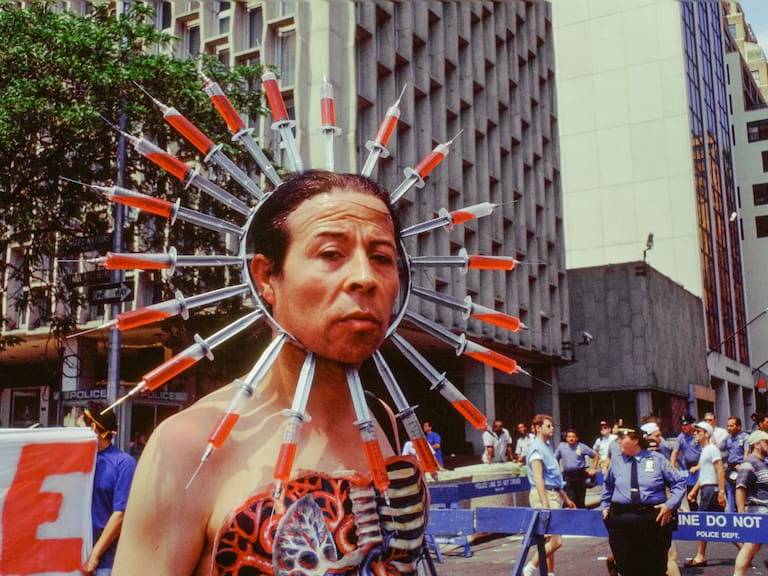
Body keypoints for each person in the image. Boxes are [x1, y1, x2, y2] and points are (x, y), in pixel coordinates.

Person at [114, 171, 430, 575]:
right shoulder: (190, 446)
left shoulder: (382, 418)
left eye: (382, 258)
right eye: (332, 254)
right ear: (267, 277)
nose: (365, 278)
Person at [600, 423, 685, 576]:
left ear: (635, 440)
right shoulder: (617, 462)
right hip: (622, 521)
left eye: (622, 438)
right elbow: (608, 485)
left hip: (651, 520)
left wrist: (670, 505)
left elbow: (678, 483)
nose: (618, 441)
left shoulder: (657, 459)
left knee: (654, 569)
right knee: (627, 569)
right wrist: (605, 506)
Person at [83, 402, 137, 576]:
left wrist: (95, 555)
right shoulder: (79, 460)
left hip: (104, 561)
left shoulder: (123, 463)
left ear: (92, 427)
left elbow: (120, 514)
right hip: (72, 555)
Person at [521, 414, 576, 576]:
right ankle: (528, 569)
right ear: (538, 428)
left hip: (553, 494)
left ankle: (549, 573)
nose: (552, 428)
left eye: (552, 426)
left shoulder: (548, 447)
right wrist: (544, 502)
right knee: (556, 541)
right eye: (548, 426)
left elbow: (554, 477)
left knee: (549, 540)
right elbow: (538, 477)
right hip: (543, 495)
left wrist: (565, 498)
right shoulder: (536, 448)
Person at [683, 421, 726, 568]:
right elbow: (704, 475)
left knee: (701, 522)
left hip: (711, 490)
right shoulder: (705, 451)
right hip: (707, 489)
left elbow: (720, 470)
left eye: (698, 431)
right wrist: (694, 490)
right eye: (694, 431)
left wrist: (721, 492)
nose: (695, 433)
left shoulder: (712, 449)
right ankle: (745, 549)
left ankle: (700, 556)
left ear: (707, 434)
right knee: (723, 524)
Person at [732, 430, 768, 576]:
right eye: (766, 442)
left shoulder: (763, 463)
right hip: (757, 512)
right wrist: (742, 514)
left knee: (751, 547)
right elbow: (740, 488)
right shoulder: (749, 463)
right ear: (756, 444)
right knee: (749, 547)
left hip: (764, 511)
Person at [555, 428, 598, 508]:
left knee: (580, 500)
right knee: (570, 499)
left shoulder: (581, 446)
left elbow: (595, 455)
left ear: (576, 438)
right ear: (566, 438)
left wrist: (594, 468)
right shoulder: (561, 447)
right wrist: (556, 471)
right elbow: (555, 459)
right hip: (568, 476)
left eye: (573, 437)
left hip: (580, 476)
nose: (571, 438)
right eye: (569, 437)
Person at [670, 413, 701, 508]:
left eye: (686, 425)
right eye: (682, 425)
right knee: (691, 495)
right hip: (689, 469)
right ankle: (695, 515)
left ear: (691, 424)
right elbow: (674, 452)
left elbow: (704, 454)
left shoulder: (698, 435)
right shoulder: (681, 437)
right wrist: (672, 466)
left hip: (700, 466)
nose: (684, 427)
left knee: (705, 495)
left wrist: (698, 466)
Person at [720, 416, 750, 511]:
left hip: (741, 468)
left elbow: (747, 453)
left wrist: (743, 468)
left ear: (738, 427)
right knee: (730, 493)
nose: (729, 428)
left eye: (731, 426)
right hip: (730, 468)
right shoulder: (727, 438)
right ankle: (732, 513)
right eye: (728, 426)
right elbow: (718, 448)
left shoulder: (745, 437)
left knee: (742, 492)